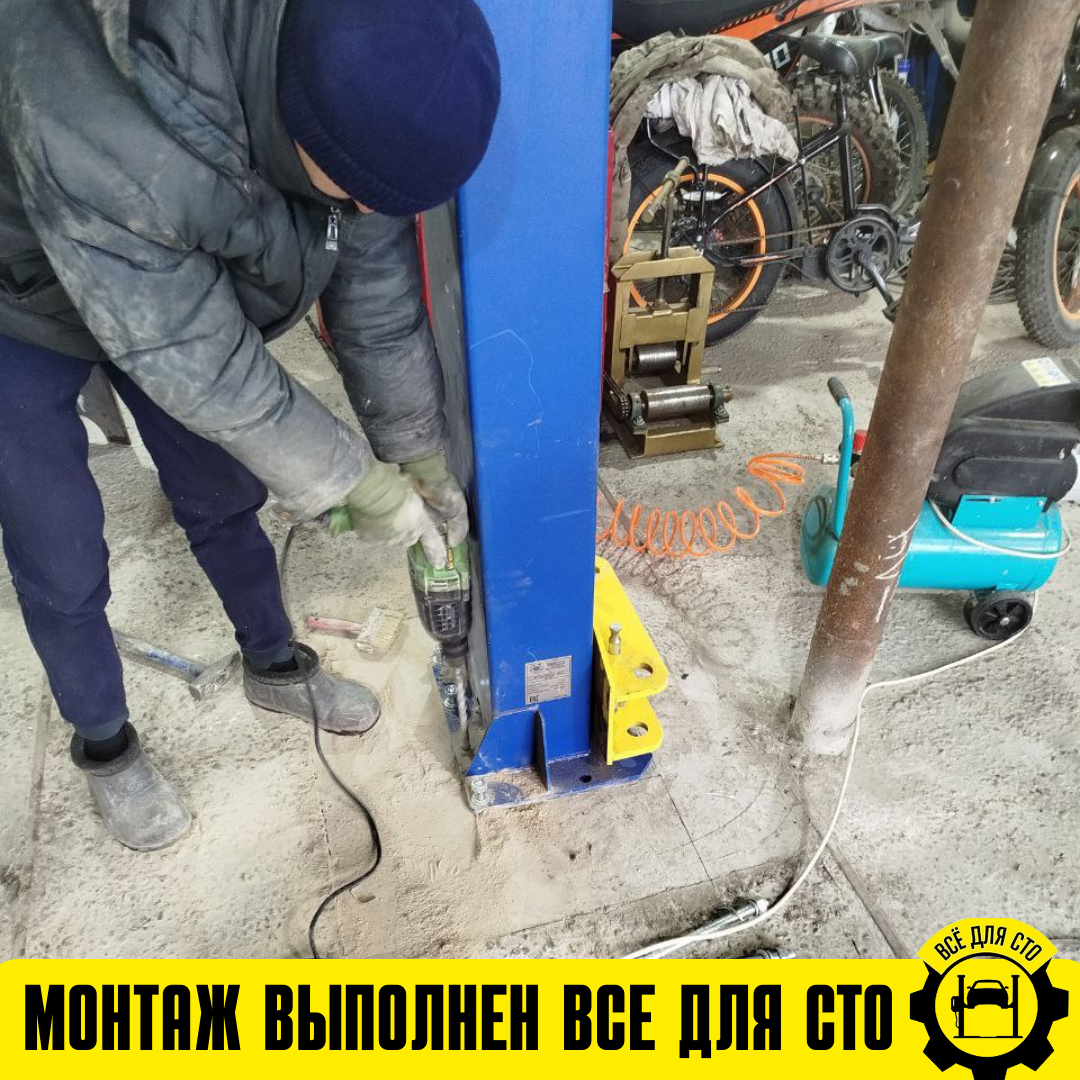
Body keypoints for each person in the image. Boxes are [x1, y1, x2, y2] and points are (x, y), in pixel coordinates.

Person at [0, 0, 500, 850]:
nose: (368, 207)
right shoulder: (118, 131)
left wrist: (414, 448)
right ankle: (107, 746)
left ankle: (273, 664)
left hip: (165, 261)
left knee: (223, 490)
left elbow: (375, 297)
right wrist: (349, 479)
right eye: (359, 192)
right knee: (61, 552)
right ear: (300, 118)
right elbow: (202, 364)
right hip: (20, 292)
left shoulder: (354, 88)